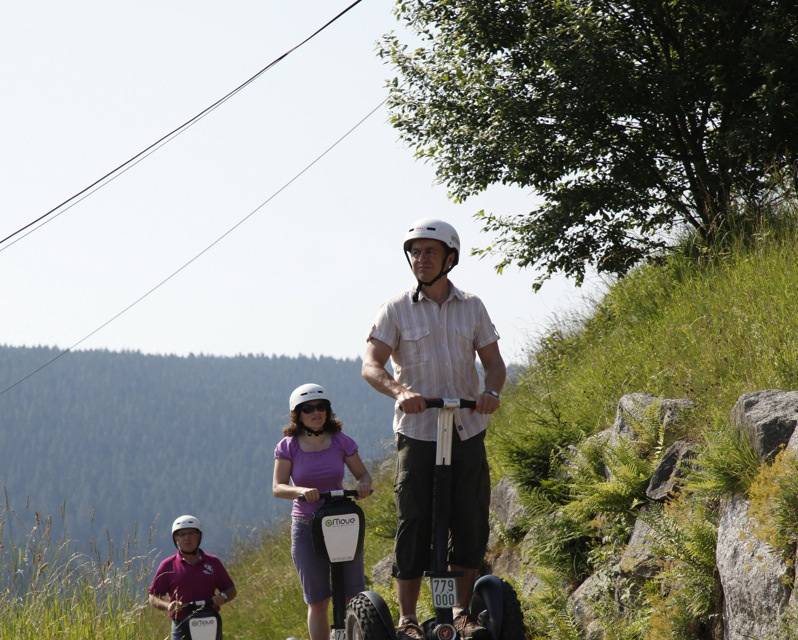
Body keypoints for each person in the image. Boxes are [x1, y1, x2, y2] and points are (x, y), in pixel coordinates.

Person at [362, 218, 506, 640]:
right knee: (415, 519)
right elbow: (371, 365)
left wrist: (491, 392)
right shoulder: (395, 309)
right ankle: (408, 620)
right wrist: (400, 390)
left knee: (470, 519)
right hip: (419, 431)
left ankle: (461, 612)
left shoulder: (473, 306)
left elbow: (494, 363)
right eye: (415, 252)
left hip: (466, 427)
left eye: (429, 252)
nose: (421, 259)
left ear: (450, 258)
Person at [273, 383, 373, 640]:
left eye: (321, 407)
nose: (316, 413)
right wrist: (301, 491)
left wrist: (363, 485)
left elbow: (362, 474)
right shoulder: (288, 446)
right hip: (307, 525)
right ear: (298, 415)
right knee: (318, 600)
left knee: (354, 593)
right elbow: (278, 487)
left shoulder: (341, 441)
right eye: (308, 409)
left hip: (340, 520)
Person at [148, 514, 237, 640]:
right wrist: (168, 605)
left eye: (191, 533)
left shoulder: (213, 563)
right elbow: (153, 597)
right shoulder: (167, 565)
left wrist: (222, 597)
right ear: (175, 539)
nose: (187, 538)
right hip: (181, 624)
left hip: (210, 620)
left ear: (199, 536)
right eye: (182, 534)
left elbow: (231, 590)